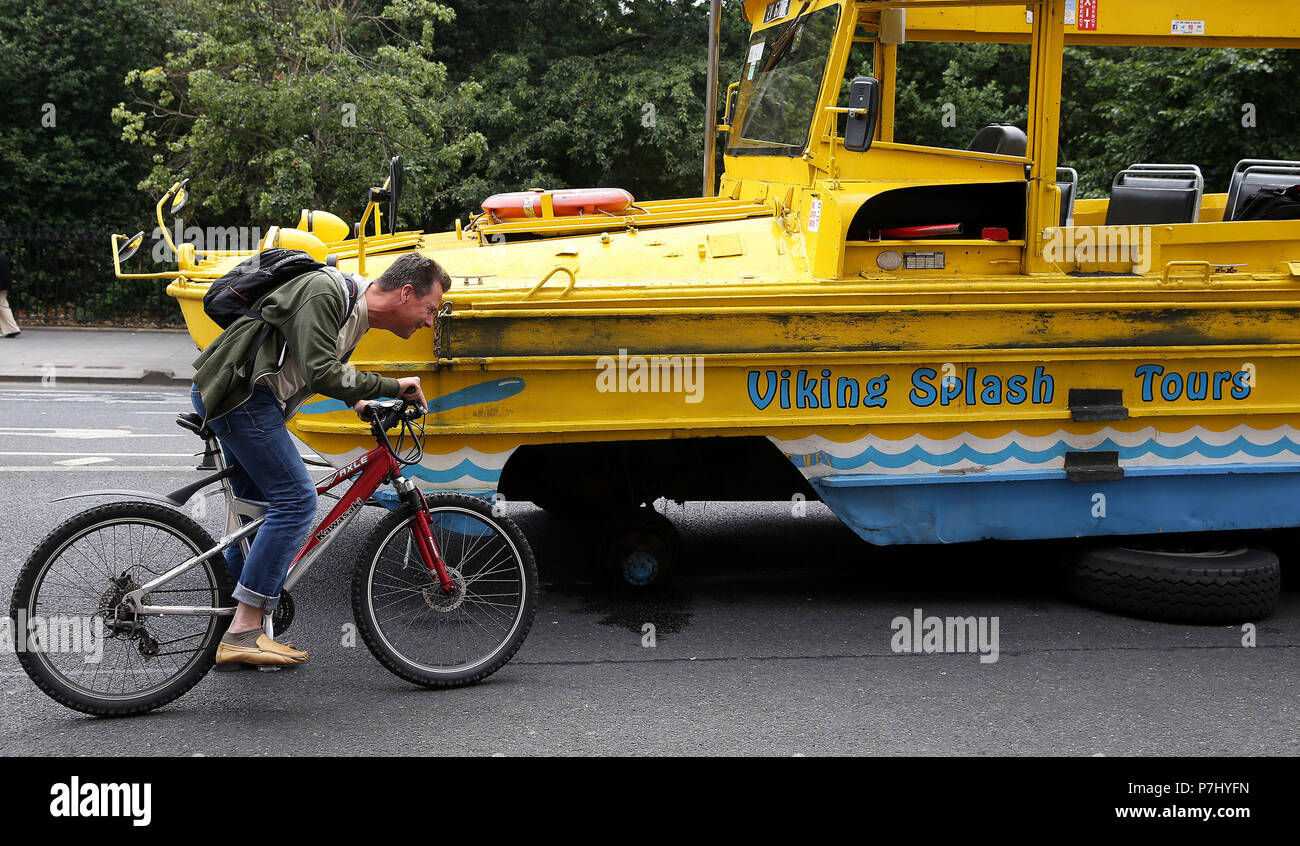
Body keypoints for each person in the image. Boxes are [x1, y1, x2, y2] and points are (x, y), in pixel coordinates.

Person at [190, 252, 451, 667]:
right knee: (297, 502)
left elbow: (324, 366)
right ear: (405, 293)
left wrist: (362, 401)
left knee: (253, 519)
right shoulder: (329, 291)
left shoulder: (354, 312)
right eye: (430, 309)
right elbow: (320, 371)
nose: (428, 321)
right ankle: (244, 629)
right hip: (242, 398)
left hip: (247, 398)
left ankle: (233, 632)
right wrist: (394, 384)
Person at [0, 251, 20, 337]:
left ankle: (12, 329)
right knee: (2, 305)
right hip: (4, 285)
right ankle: (11, 329)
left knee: (2, 306)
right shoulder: (2, 256)